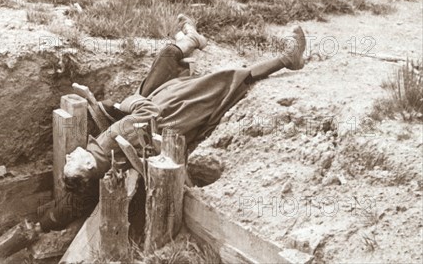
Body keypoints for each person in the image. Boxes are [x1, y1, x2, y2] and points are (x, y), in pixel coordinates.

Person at [38, 15, 306, 232]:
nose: (71, 153)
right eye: (72, 159)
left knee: (166, 59)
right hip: (168, 112)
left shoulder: (96, 167)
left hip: (157, 123)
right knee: (225, 80)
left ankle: (190, 38)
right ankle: (286, 59)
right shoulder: (111, 141)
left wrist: (43, 224)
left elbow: (71, 206)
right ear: (87, 165)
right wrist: (126, 104)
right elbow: (148, 112)